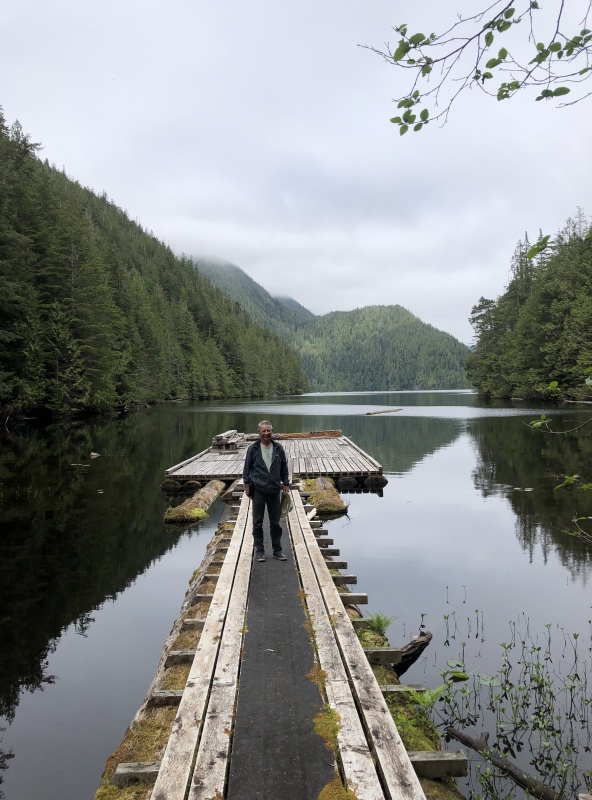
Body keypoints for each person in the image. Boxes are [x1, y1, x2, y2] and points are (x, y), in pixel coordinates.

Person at [242, 420, 290, 562]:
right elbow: (247, 467)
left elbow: (284, 467)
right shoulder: (253, 449)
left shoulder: (278, 448)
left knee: (275, 523)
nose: (266, 433)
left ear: (272, 430)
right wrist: (246, 484)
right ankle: (260, 551)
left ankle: (277, 550)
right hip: (258, 490)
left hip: (275, 490)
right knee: (257, 522)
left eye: (268, 430)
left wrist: (286, 483)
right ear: (259, 432)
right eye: (263, 431)